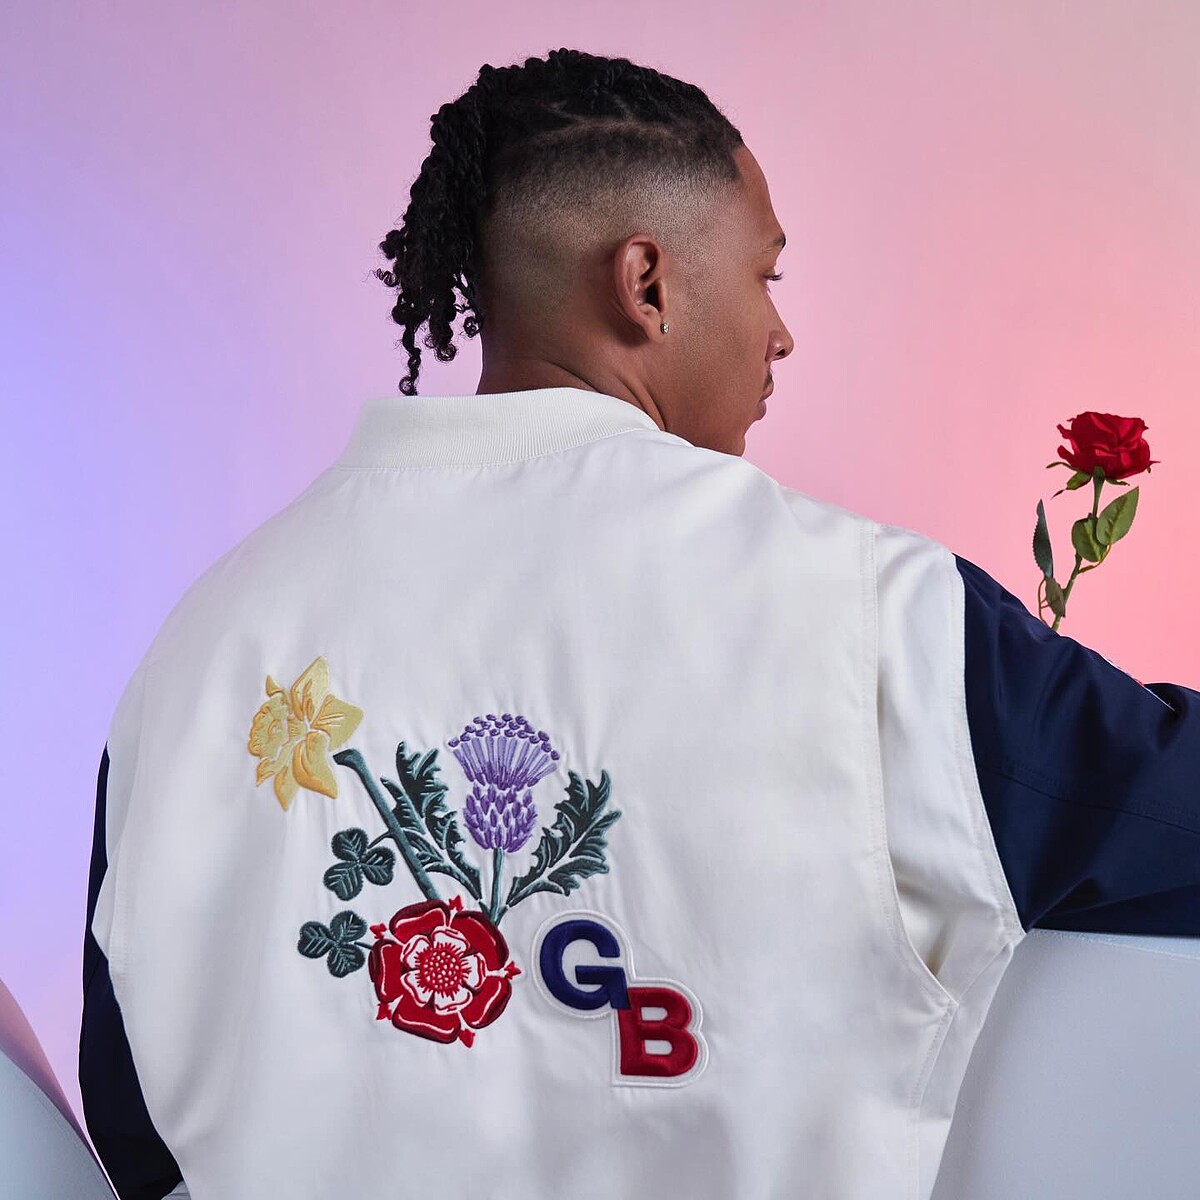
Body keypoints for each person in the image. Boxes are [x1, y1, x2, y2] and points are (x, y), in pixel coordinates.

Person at [79, 46, 1200, 1200]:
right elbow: (1171, 809)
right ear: (646, 283)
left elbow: (135, 1130)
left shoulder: (197, 658)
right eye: (766, 274)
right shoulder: (865, 611)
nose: (780, 332)